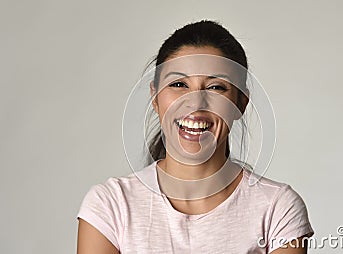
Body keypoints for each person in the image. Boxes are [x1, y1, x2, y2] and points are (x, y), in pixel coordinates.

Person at [77, 20, 314, 254]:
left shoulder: (278, 208)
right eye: (179, 84)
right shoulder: (110, 205)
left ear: (241, 103)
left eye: (216, 87)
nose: (195, 103)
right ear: (155, 96)